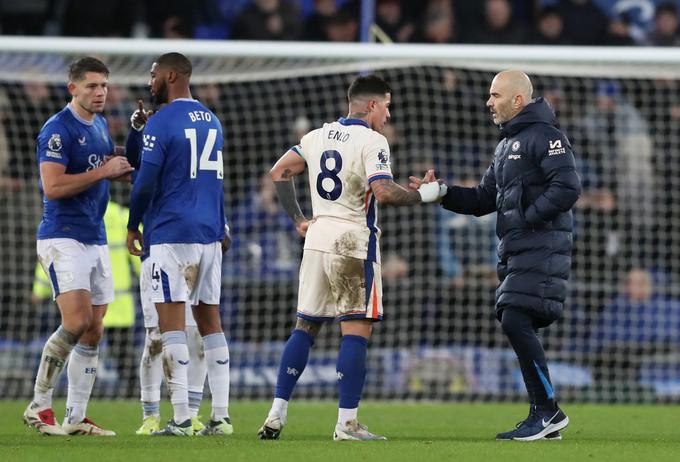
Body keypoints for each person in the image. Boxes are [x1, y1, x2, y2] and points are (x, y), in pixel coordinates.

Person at [257, 74, 445, 441]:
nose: (389, 114)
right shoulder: (373, 140)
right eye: (387, 105)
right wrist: (428, 194)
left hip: (316, 237)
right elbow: (383, 191)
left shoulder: (317, 135)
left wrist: (299, 219)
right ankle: (347, 423)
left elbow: (279, 172)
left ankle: (275, 414)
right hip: (352, 240)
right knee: (356, 331)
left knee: (305, 327)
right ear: (372, 105)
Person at [413, 70, 581, 441]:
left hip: (542, 247)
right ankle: (543, 414)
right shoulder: (505, 146)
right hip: (518, 250)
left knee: (514, 317)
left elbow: (568, 187)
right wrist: (441, 192)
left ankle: (549, 411)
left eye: (495, 95)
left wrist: (525, 219)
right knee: (515, 318)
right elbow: (482, 199)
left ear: (517, 99)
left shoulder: (547, 136)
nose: (489, 102)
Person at [23, 56, 134, 436]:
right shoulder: (57, 130)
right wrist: (105, 170)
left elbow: (98, 170)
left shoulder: (101, 125)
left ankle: (76, 416)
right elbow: (52, 187)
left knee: (94, 329)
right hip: (62, 235)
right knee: (76, 321)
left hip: (95, 235)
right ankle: (39, 405)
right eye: (91, 86)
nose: (100, 92)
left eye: (103, 85)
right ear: (73, 88)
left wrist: (129, 166)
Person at [126, 52, 231, 437]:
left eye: (153, 75)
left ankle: (182, 418)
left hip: (171, 233)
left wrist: (133, 224)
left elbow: (145, 180)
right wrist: (222, 224)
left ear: (171, 75)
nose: (149, 81)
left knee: (170, 328)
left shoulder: (165, 119)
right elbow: (213, 178)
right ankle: (220, 417)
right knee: (210, 325)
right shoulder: (212, 119)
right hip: (209, 234)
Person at [125, 101, 210, 435]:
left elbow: (210, 189)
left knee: (197, 336)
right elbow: (135, 163)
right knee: (157, 337)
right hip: (158, 251)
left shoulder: (190, 159)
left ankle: (190, 412)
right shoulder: (151, 154)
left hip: (194, 248)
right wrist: (135, 131)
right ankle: (150, 413)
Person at [31, 201, 140, 397]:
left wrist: (39, 290)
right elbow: (139, 253)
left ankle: (74, 397)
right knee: (123, 354)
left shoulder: (76, 216)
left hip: (82, 297)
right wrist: (147, 281)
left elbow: (53, 257)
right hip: (118, 302)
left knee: (78, 345)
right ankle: (131, 392)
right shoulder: (123, 216)